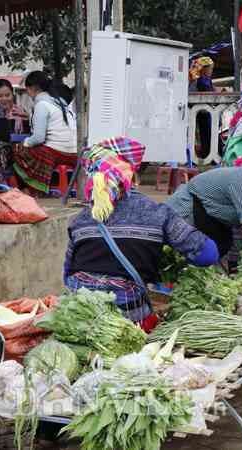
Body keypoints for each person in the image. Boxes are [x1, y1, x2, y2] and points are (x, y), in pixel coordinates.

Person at [64, 137, 219, 332]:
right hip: (128, 323)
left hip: (77, 319)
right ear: (132, 174)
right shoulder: (156, 212)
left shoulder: (79, 221)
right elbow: (208, 255)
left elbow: (67, 272)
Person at [13, 71, 77, 194]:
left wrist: (24, 142)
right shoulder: (59, 102)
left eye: (27, 90)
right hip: (74, 152)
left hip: (57, 152)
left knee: (17, 149)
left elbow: (38, 138)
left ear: (31, 88)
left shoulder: (42, 104)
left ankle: (34, 188)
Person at [190, 57, 215, 159]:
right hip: (204, 111)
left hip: (207, 111)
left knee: (208, 132)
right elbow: (208, 92)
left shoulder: (206, 79)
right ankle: (207, 153)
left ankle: (207, 153)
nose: (211, 70)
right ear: (204, 69)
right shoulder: (201, 80)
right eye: (209, 68)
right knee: (206, 132)